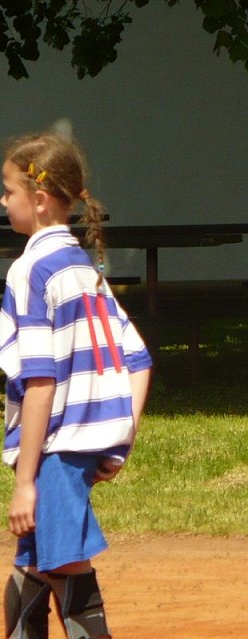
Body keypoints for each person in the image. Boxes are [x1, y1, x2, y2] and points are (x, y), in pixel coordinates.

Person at [0, 133, 152, 639]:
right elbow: (138, 360)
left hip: (55, 454)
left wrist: (26, 481)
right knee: (30, 571)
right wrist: (120, 438)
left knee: (68, 571)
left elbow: (40, 382)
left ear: (40, 199)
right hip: (75, 450)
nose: (3, 200)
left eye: (9, 191)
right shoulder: (83, 269)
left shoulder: (31, 269)